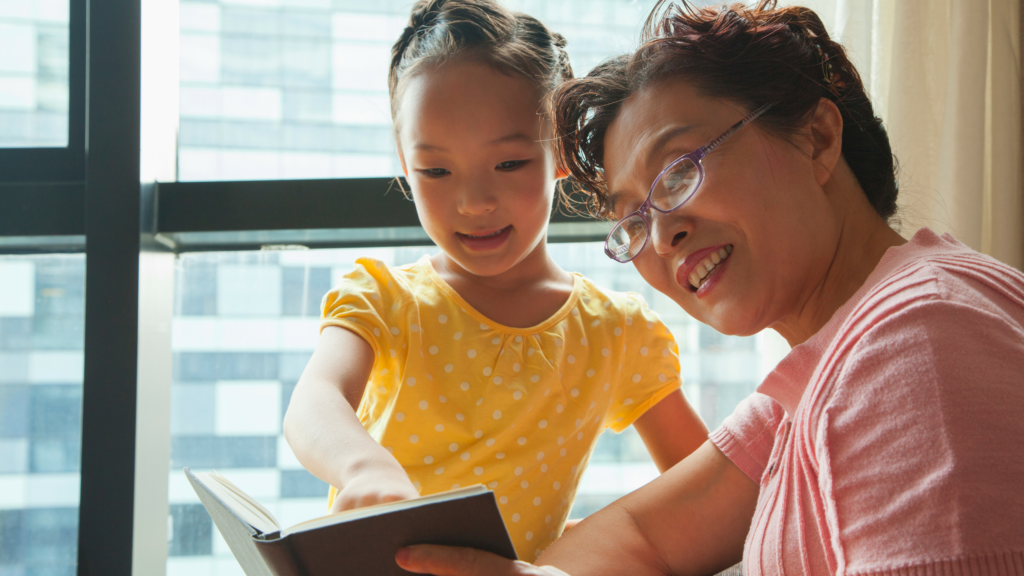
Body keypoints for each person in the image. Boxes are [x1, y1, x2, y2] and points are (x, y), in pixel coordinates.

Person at [392, 1, 1024, 574]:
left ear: (816, 137)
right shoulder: (814, 379)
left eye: (678, 172)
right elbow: (640, 536)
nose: (660, 235)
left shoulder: (914, 346)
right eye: (632, 219)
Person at [282, 0, 709, 561]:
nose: (475, 202)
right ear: (405, 167)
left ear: (561, 150)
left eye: (508, 164)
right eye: (436, 170)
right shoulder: (386, 298)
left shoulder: (615, 332)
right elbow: (314, 401)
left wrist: (603, 545)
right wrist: (363, 468)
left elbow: (708, 482)